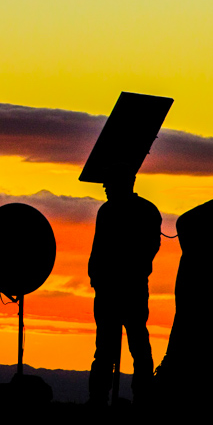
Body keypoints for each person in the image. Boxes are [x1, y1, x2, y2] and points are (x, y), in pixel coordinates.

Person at [87, 173, 162, 406]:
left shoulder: (126, 211)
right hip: (120, 289)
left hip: (124, 289)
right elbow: (98, 249)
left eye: (108, 183)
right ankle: (107, 399)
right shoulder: (118, 211)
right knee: (118, 349)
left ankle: (136, 398)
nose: (104, 186)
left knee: (131, 347)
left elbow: (148, 248)